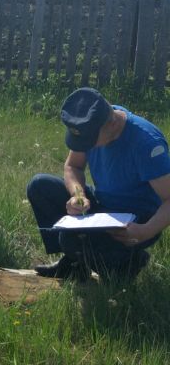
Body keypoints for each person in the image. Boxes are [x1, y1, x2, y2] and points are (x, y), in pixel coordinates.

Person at [27, 86, 170, 281]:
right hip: (104, 205)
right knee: (39, 186)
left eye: (89, 141)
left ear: (111, 124)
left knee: (72, 239)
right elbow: (73, 166)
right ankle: (73, 264)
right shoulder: (93, 124)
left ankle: (129, 262)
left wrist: (145, 232)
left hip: (137, 219)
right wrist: (78, 195)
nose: (85, 146)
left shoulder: (146, 143)